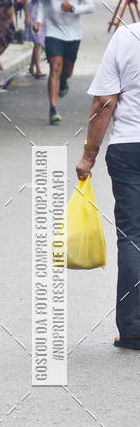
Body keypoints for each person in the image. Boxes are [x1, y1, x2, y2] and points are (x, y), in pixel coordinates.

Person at [76, 23, 140, 349]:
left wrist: (89, 156)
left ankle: (133, 329)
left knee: (133, 237)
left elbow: (104, 101)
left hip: (129, 149)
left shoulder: (126, 37)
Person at [33, 0, 94, 124]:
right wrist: (38, 21)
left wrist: (72, 8)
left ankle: (64, 81)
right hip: (53, 31)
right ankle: (53, 109)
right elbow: (43, 5)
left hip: (73, 33)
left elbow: (91, 7)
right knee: (55, 66)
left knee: (66, 71)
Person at [23, 0, 53, 77]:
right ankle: (38, 69)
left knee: (38, 42)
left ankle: (31, 67)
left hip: (42, 15)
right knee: (38, 42)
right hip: (35, 14)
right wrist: (27, 16)